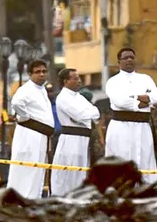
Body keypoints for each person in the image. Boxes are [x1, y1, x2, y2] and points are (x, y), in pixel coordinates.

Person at [103, 47, 157, 183]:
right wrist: (142, 102)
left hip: (143, 127)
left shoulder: (145, 79)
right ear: (119, 62)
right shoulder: (113, 81)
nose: (129, 60)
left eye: (131, 57)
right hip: (121, 127)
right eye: (125, 58)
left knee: (145, 160)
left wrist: (134, 97)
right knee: (121, 160)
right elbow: (120, 101)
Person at [6, 60, 54, 199]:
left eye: (44, 71)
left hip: (41, 136)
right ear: (30, 74)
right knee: (28, 170)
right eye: (38, 72)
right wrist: (25, 116)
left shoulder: (42, 89)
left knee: (38, 170)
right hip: (30, 135)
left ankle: (34, 199)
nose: (41, 74)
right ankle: (20, 200)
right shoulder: (26, 89)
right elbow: (16, 103)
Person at [52, 67, 99, 195]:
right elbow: (80, 116)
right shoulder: (63, 98)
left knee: (82, 173)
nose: (79, 81)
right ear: (66, 81)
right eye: (76, 78)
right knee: (70, 173)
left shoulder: (79, 97)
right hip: (71, 140)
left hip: (85, 139)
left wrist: (86, 114)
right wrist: (87, 114)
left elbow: (96, 112)